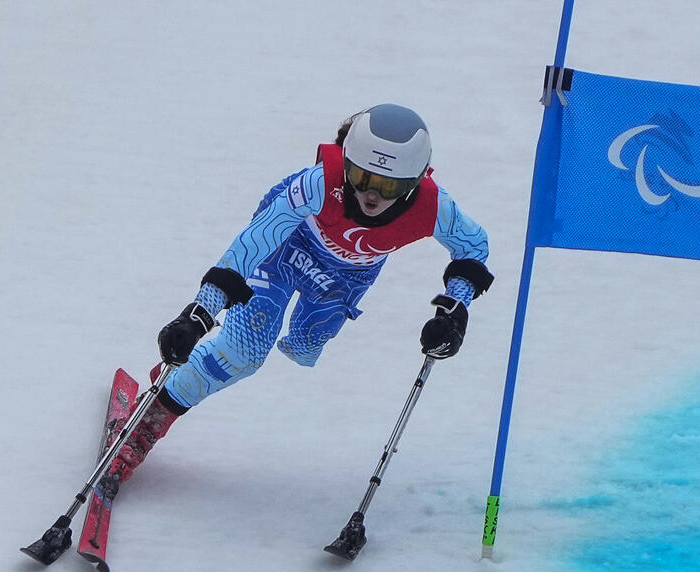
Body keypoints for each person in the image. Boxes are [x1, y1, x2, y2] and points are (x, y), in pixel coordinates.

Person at [98, 103, 493, 498]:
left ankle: (182, 380)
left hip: (346, 275)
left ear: (415, 181)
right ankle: (150, 418)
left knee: (305, 347)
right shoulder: (318, 184)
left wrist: (454, 312)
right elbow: (251, 246)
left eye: (388, 186)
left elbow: (473, 246)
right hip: (285, 247)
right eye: (361, 176)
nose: (371, 194)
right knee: (243, 351)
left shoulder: (433, 207)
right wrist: (199, 315)